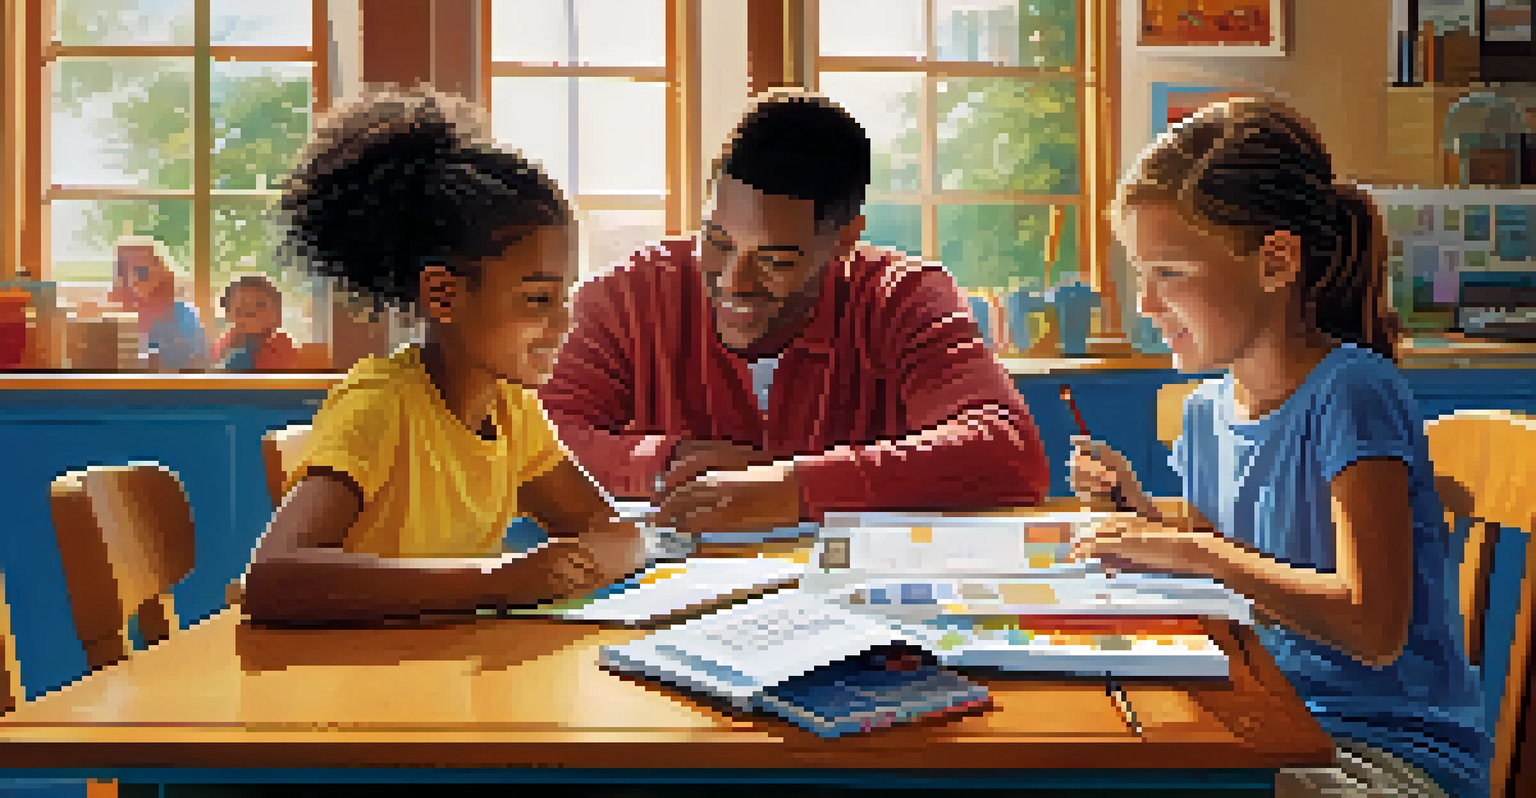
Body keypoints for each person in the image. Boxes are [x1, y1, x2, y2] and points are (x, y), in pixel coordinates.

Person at [1069, 97, 1488, 798]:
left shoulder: (1351, 392)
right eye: (1141, 272)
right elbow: (1235, 550)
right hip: (1273, 717)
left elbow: (1372, 625)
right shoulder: (1204, 413)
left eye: (1169, 272)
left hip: (1387, 753)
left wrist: (1192, 551)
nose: (1144, 303)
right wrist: (1145, 517)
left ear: (1276, 261)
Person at [539, 89, 1051, 535]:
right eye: (716, 242)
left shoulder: (904, 297)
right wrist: (666, 463)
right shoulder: (627, 297)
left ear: (845, 240)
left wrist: (794, 486)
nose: (733, 282)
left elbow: (1008, 452)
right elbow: (527, 437)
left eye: (774, 260)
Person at [241, 87, 646, 626]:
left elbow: (611, 530)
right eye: (536, 299)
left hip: (431, 674)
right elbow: (273, 581)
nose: (562, 323)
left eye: (564, 297)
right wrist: (494, 583)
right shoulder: (381, 406)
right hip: (338, 689)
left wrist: (604, 552)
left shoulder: (512, 414)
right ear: (443, 295)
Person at [109, 236, 210, 370]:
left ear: (161, 270)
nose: (134, 278)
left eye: (142, 270)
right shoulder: (115, 317)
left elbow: (200, 368)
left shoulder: (184, 317)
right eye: (125, 270)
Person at [213, 274, 300, 371]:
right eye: (242, 307)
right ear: (229, 314)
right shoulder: (226, 344)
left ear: (276, 314)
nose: (251, 312)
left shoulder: (282, 345)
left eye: (260, 304)